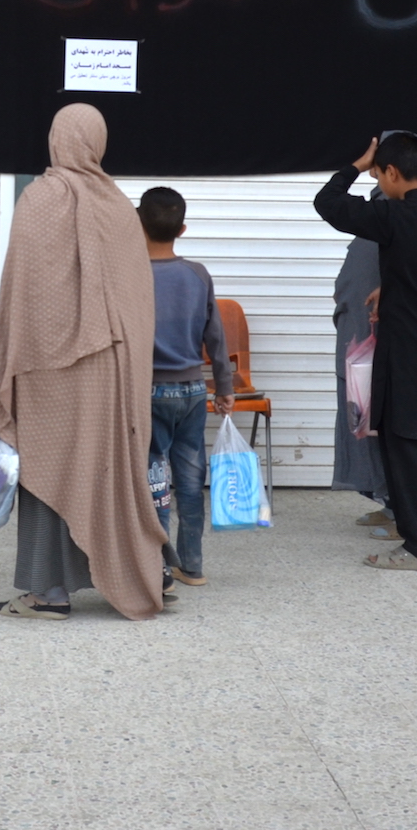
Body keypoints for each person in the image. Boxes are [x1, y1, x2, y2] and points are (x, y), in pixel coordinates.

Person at [0, 104, 168, 620]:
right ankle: (139, 570)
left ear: (57, 138)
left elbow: (23, 293)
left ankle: (49, 593)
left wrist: (14, 361)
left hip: (48, 372)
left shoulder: (40, 198)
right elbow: (137, 303)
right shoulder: (118, 206)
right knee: (105, 470)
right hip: (110, 375)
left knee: (47, 468)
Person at [313, 132, 417, 571]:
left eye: (379, 173)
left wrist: (356, 165)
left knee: (405, 445)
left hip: (403, 349)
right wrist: (395, 285)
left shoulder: (392, 216)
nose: (377, 181)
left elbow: (328, 204)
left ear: (392, 172)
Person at [327, 131, 417, 534]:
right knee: (364, 421)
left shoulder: (404, 218)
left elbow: (328, 202)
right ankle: (389, 502)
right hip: (360, 340)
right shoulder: (382, 212)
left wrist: (355, 166)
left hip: (384, 343)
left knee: (385, 423)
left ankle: (404, 511)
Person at [135, 187, 238, 589]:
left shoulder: (130, 276)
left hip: (147, 392)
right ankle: (192, 565)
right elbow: (216, 337)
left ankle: (159, 566)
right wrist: (223, 386)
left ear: (137, 224)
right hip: (194, 391)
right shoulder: (197, 274)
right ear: (182, 229)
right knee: (191, 480)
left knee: (154, 480)